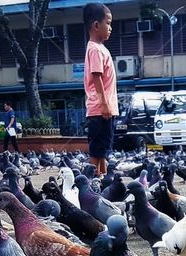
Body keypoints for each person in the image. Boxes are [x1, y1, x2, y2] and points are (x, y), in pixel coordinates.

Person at [83, 3, 118, 177]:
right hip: (100, 109)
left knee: (103, 149)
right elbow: (96, 77)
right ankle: (92, 181)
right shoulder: (95, 49)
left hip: (105, 109)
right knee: (96, 151)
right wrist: (104, 104)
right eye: (108, 23)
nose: (110, 28)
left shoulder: (100, 49)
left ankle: (103, 178)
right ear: (96, 25)